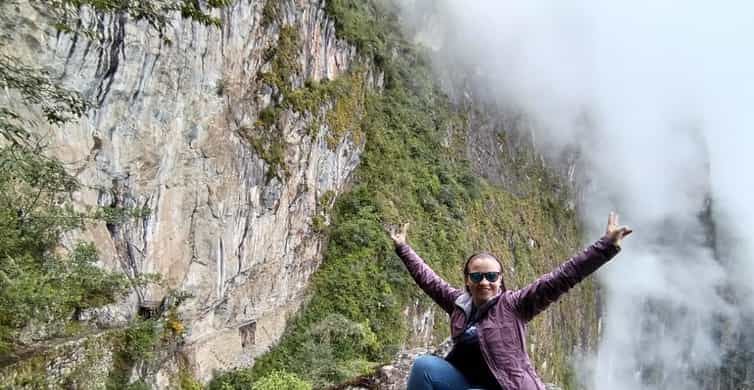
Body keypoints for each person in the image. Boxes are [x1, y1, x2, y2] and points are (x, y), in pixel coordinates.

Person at [386, 212, 632, 390]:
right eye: (477, 276)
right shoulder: (459, 304)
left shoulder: (515, 305)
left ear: (500, 279)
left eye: (492, 276)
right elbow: (429, 280)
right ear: (468, 280)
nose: (485, 282)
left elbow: (563, 277)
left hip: (508, 386)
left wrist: (605, 247)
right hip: (468, 383)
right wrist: (403, 248)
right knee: (424, 367)